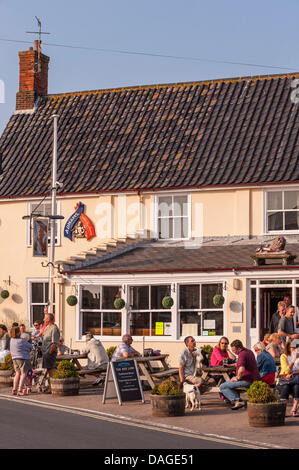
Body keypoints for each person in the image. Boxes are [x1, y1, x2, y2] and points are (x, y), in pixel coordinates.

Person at [219, 339, 261, 410]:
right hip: (254, 378)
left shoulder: (242, 354)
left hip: (248, 380)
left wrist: (237, 377)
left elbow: (241, 369)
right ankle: (237, 399)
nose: (233, 352)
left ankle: (238, 401)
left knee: (223, 386)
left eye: (234, 350)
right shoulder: (248, 351)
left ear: (239, 348)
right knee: (228, 383)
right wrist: (231, 365)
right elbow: (241, 363)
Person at [277, 339, 299, 417]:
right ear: (289, 347)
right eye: (294, 347)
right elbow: (285, 370)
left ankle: (294, 409)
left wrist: (293, 373)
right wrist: (293, 360)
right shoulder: (284, 356)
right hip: (284, 381)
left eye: (297, 347)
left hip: (295, 379)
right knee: (286, 387)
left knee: (297, 386)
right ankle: (282, 410)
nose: (296, 349)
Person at [9, 326, 33, 396]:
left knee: (17, 373)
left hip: (14, 358)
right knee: (23, 374)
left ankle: (14, 389)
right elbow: (30, 346)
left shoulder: (11, 340)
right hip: (23, 358)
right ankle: (20, 390)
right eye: (19, 331)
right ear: (17, 333)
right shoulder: (22, 340)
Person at [41, 313, 60, 379]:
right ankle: (51, 384)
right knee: (49, 369)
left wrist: (49, 352)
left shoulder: (54, 328)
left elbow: (54, 343)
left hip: (50, 352)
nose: (43, 320)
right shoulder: (47, 327)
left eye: (45, 318)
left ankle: (54, 383)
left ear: (48, 319)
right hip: (45, 352)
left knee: (51, 368)